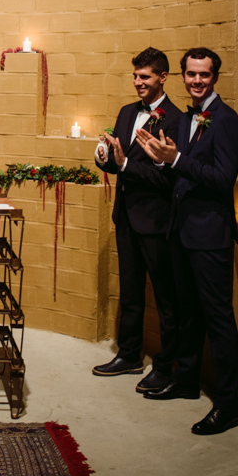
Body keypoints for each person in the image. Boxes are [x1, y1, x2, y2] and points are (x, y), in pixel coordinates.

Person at [136, 47, 238, 436]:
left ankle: (229, 404)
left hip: (210, 236)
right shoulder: (185, 120)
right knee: (188, 313)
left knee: (218, 319)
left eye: (205, 75)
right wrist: (161, 160)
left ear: (215, 77)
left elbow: (221, 179)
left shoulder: (227, 121)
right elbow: (178, 172)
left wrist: (176, 159)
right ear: (182, 76)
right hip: (180, 232)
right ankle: (185, 381)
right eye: (191, 74)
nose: (197, 81)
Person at [92, 48, 182, 393]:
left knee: (164, 295)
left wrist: (126, 166)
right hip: (126, 215)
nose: (138, 82)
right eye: (135, 76)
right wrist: (105, 159)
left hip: (157, 221)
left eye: (145, 77)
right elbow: (119, 160)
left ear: (163, 77)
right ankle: (129, 354)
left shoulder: (176, 119)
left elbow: (167, 177)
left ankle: (166, 364)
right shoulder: (127, 112)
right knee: (130, 289)